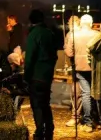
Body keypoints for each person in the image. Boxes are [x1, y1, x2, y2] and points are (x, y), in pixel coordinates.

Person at [25, 9, 58, 140]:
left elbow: (29, 58)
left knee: (37, 104)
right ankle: (49, 128)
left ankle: (39, 131)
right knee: (45, 103)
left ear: (31, 20)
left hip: (36, 75)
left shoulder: (33, 35)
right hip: (47, 74)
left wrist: (26, 77)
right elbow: (54, 55)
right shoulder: (50, 33)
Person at [65, 14, 99, 130]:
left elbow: (69, 53)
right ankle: (98, 120)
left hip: (80, 68)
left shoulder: (74, 35)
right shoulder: (97, 35)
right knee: (97, 93)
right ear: (91, 23)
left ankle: (88, 122)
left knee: (85, 94)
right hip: (95, 68)